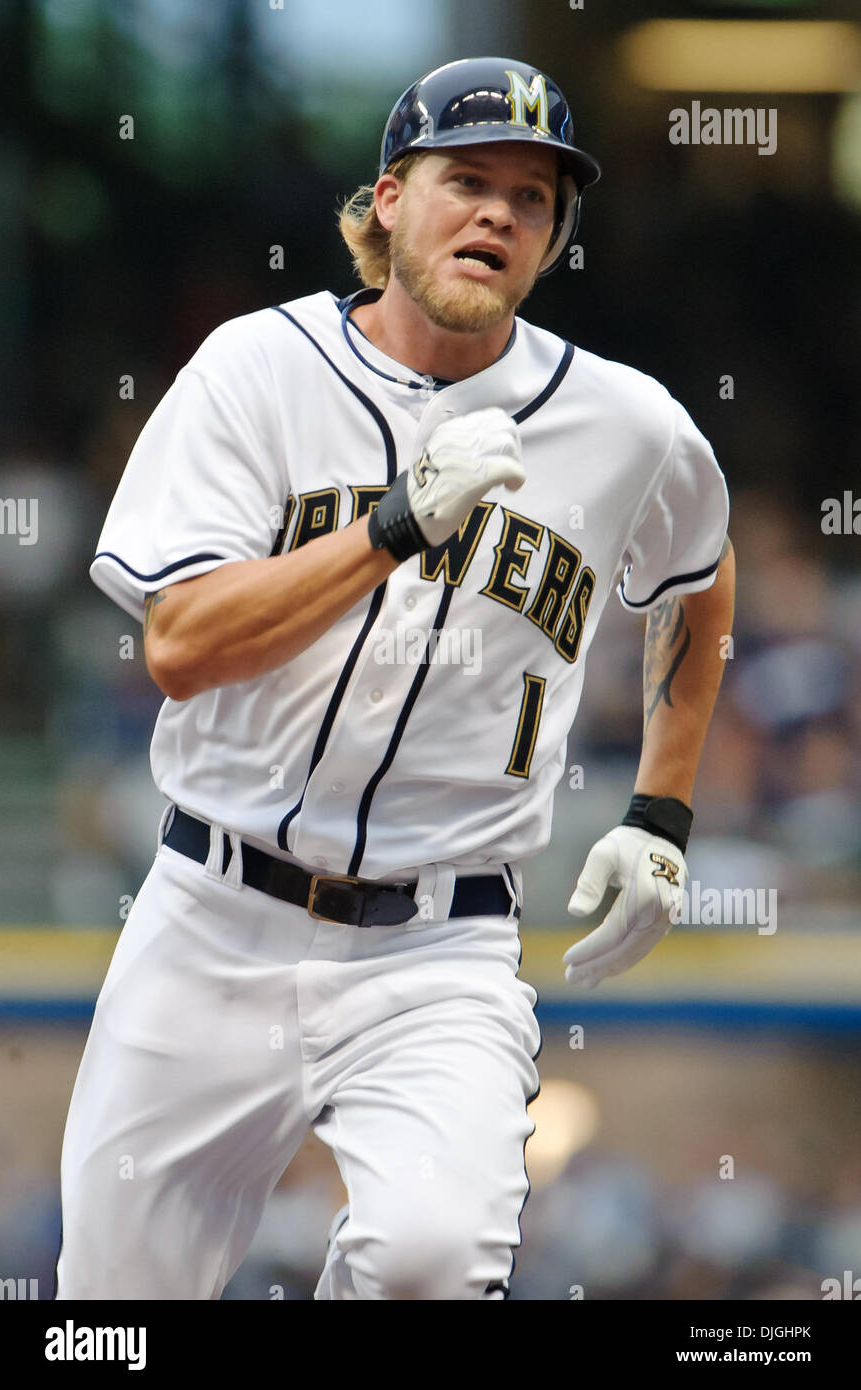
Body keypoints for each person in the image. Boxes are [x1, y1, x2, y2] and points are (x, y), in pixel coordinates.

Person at [56, 56, 734, 1301]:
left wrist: (660, 811)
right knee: (113, 1313)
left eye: (532, 200)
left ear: (550, 242)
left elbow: (699, 568)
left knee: (428, 1263)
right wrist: (388, 527)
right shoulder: (252, 369)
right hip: (211, 917)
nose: (496, 214)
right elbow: (180, 646)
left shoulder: (624, 422)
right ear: (384, 200)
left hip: (442, 946)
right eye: (464, 180)